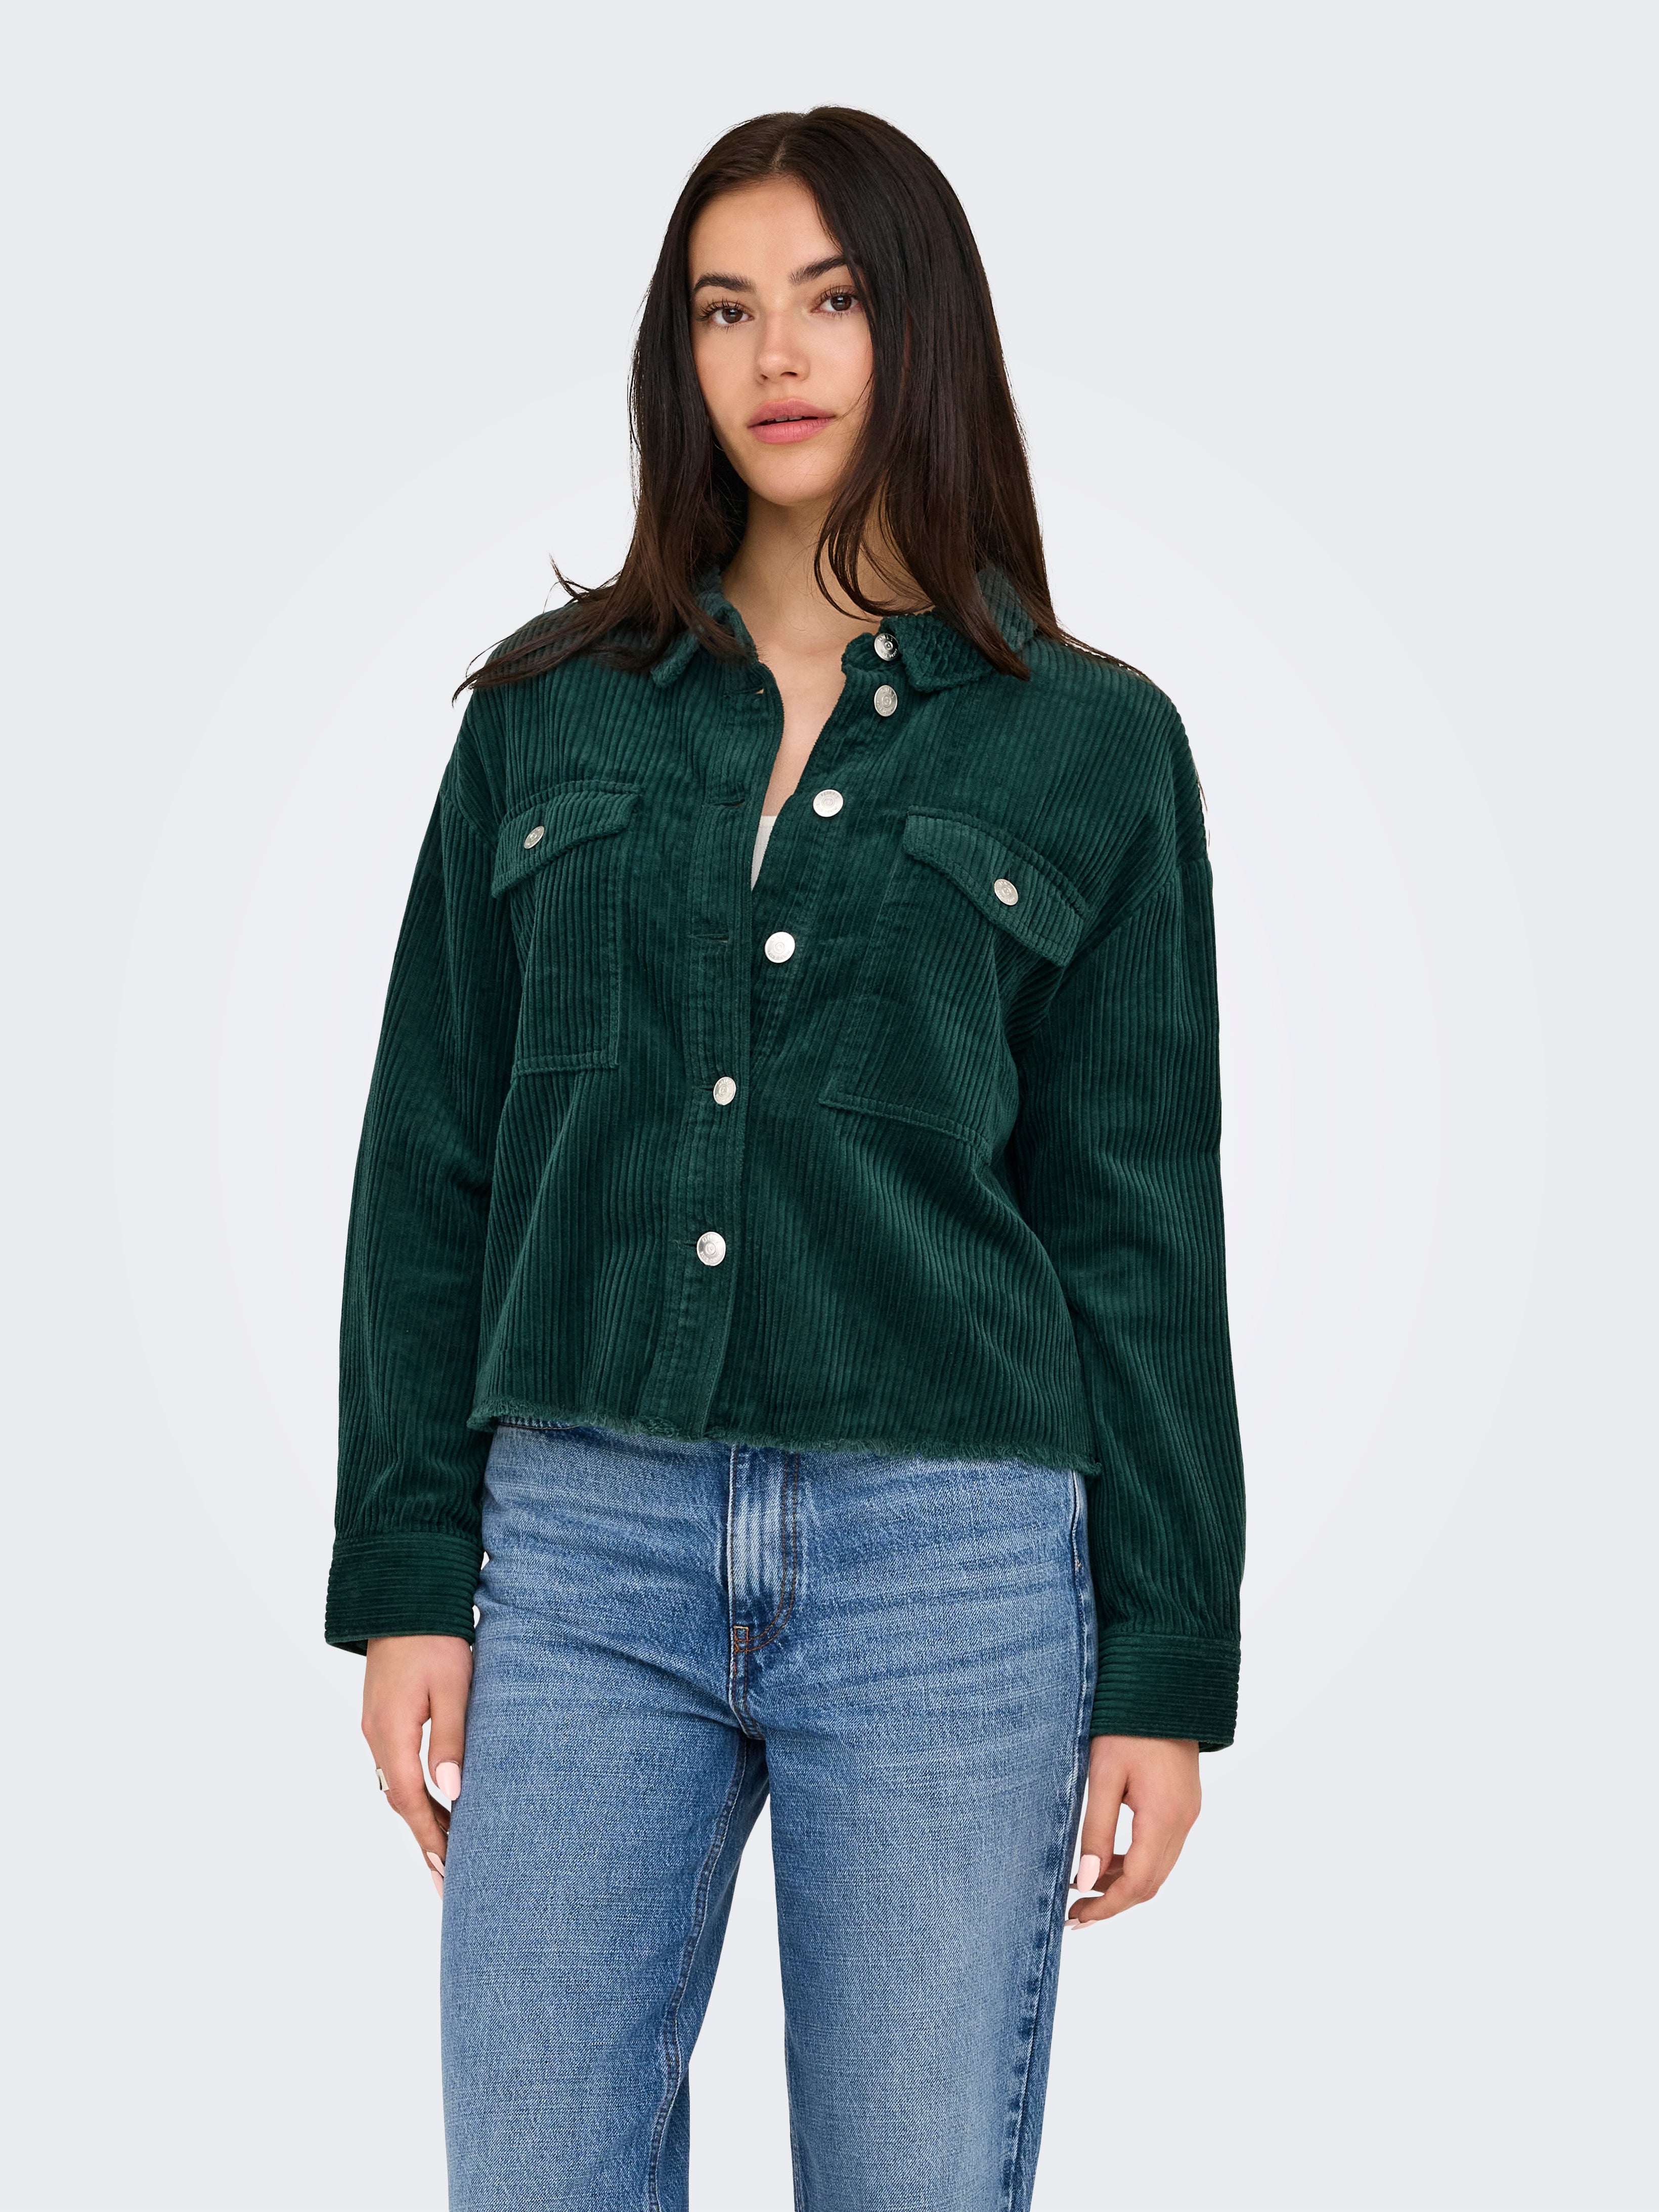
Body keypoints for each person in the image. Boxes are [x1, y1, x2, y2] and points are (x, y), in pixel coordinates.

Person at [329, 105, 1246, 2212]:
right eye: (724, 308)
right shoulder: (548, 718)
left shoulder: (1092, 742)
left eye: (829, 299)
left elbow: (1137, 1221)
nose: (777, 355)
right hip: (581, 1556)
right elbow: (430, 1157)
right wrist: (406, 1576)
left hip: (955, 1566)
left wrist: (1166, 1663)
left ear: (920, 332)